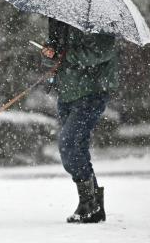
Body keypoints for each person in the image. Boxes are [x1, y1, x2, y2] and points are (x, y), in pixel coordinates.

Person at [41, 18, 118, 224]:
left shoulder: (99, 20)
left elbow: (103, 52)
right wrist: (49, 53)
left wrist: (66, 55)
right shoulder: (59, 20)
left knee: (68, 145)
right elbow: (53, 58)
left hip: (91, 93)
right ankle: (92, 205)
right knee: (78, 147)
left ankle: (90, 202)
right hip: (66, 94)